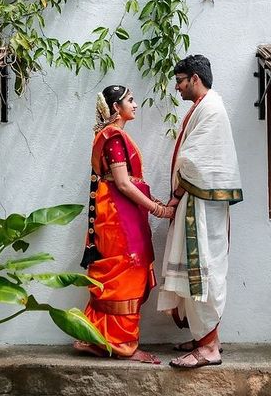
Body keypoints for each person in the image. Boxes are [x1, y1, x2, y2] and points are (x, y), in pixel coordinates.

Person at [74, 85, 174, 364]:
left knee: (122, 275)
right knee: (127, 274)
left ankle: (98, 337)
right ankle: (122, 344)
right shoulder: (114, 137)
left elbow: (129, 182)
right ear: (116, 108)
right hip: (118, 217)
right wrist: (158, 208)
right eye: (130, 100)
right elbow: (122, 183)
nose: (136, 104)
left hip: (117, 213)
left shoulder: (112, 136)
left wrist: (153, 199)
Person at [157, 55, 243, 369]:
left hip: (200, 206)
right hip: (199, 203)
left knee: (201, 270)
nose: (177, 88)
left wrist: (175, 197)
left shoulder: (211, 108)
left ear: (194, 78)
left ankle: (209, 348)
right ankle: (203, 338)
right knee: (198, 270)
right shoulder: (206, 106)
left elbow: (194, 162)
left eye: (180, 81)